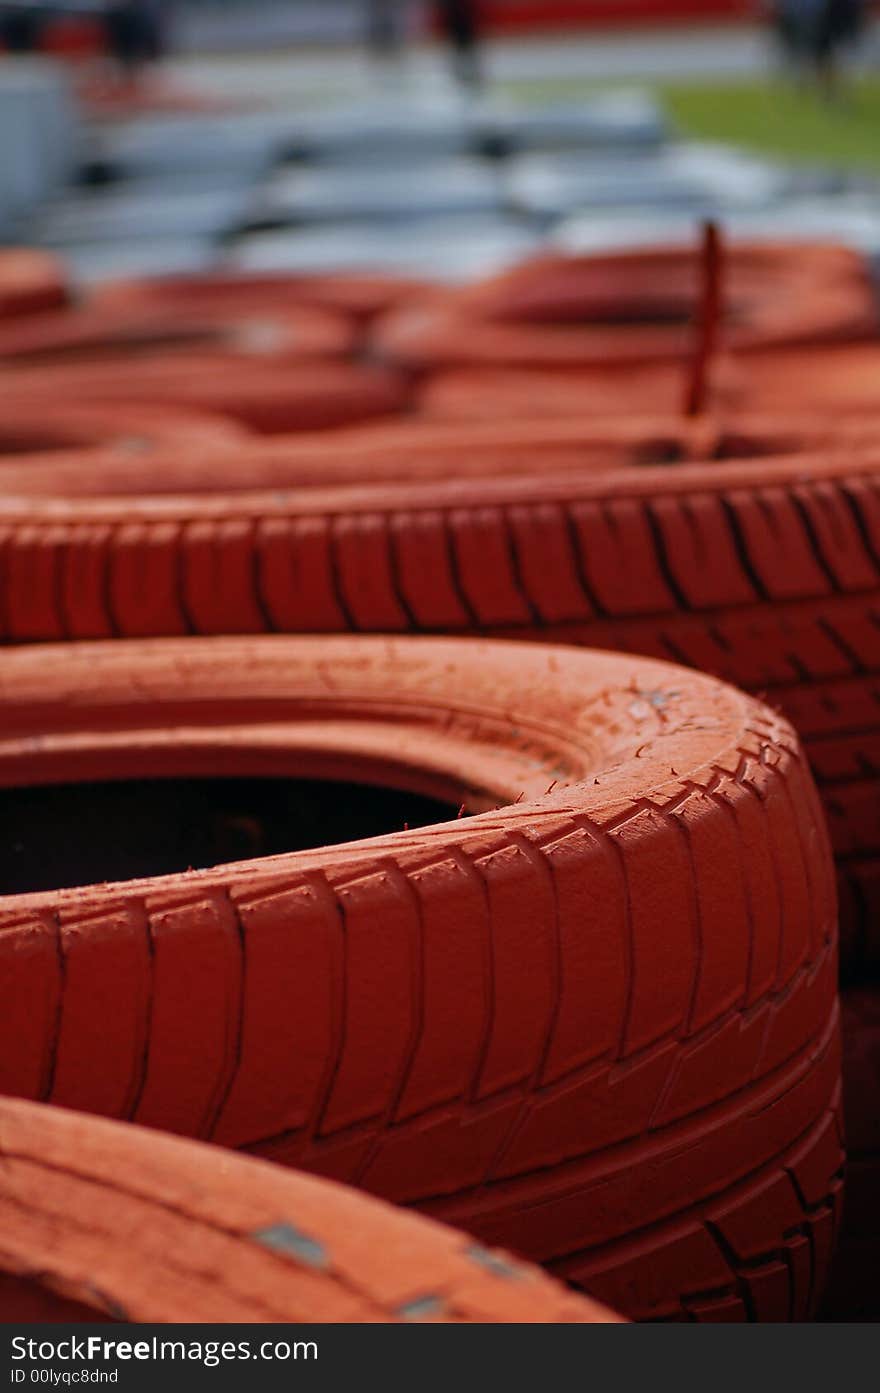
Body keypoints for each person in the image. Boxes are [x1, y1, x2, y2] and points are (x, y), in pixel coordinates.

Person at [772, 0, 866, 96]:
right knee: (813, 59)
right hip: (811, 26)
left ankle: (821, 87)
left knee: (820, 60)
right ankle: (813, 86)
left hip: (821, 27)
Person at [436, 0, 482, 91]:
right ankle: (462, 76)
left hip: (465, 32)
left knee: (467, 54)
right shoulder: (453, 5)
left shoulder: (459, 5)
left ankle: (470, 75)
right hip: (460, 32)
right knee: (461, 55)